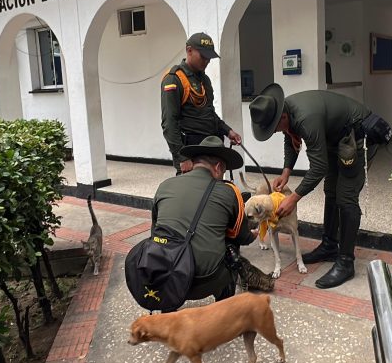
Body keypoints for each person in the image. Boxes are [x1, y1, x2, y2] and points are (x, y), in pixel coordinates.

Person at [248, 84, 370, 289]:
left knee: (346, 197)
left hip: (357, 135)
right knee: (331, 190)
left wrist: (293, 197)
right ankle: (330, 246)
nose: (277, 132)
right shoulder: (286, 112)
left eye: (275, 128)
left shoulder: (306, 119)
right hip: (335, 140)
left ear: (282, 117)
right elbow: (290, 139)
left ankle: (346, 262)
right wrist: (286, 173)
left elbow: (319, 167)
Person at [152, 135, 254, 302]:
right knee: (232, 247)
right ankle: (223, 306)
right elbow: (241, 236)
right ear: (218, 167)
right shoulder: (228, 191)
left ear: (194, 163)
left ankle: (167, 309)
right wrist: (253, 235)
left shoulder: (165, 185)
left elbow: (154, 231)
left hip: (164, 274)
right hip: (203, 281)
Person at [161, 32, 242, 174]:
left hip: (211, 146)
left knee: (213, 191)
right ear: (189, 50)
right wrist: (182, 157)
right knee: (193, 192)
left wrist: (228, 131)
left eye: (209, 57)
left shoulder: (204, 80)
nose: (207, 61)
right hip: (192, 151)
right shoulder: (174, 79)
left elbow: (209, 113)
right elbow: (169, 123)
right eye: (203, 56)